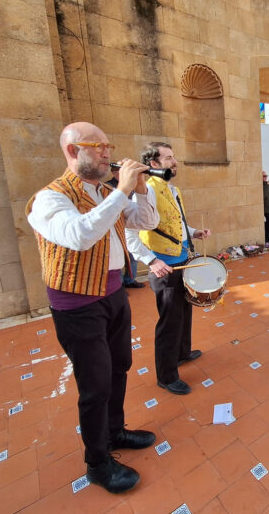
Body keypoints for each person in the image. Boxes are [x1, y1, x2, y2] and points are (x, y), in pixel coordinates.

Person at [26, 122, 159, 494]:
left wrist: (142, 190)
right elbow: (80, 235)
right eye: (97, 146)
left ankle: (115, 431)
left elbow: (146, 221)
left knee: (120, 367)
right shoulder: (49, 199)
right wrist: (122, 191)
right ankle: (97, 462)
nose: (107, 152)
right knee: (95, 384)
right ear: (72, 151)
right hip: (77, 306)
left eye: (108, 146)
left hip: (114, 294)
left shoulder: (105, 192)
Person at [128, 142, 211, 396]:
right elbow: (130, 233)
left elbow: (175, 225)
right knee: (169, 321)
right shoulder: (146, 191)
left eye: (173, 157)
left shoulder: (172, 189)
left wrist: (194, 232)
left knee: (185, 311)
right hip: (164, 268)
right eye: (168, 158)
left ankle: (182, 353)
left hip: (182, 260)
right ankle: (166, 375)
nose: (174, 162)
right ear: (153, 164)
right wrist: (152, 261)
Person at [106, 166, 144, 288]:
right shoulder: (108, 186)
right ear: (114, 172)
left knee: (132, 255)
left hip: (130, 224)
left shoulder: (132, 185)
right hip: (116, 226)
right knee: (119, 255)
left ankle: (130, 280)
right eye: (120, 171)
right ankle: (120, 284)